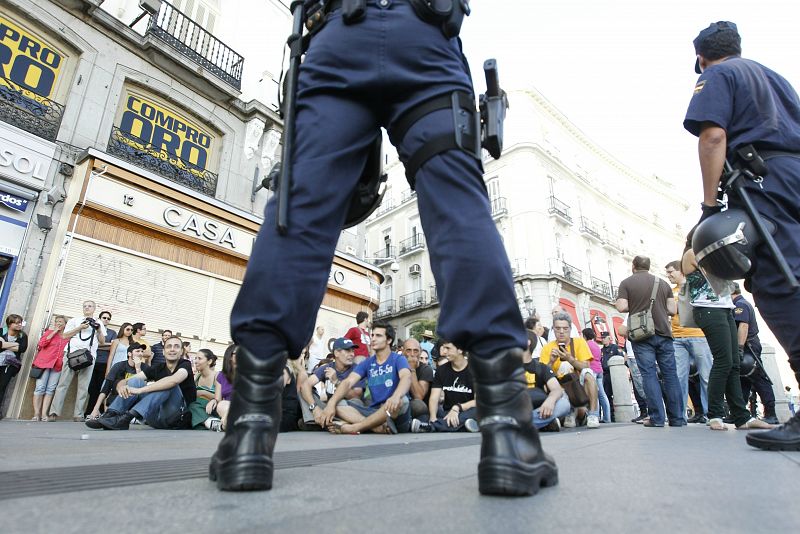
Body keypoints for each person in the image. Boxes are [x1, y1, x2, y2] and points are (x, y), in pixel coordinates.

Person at [215, 1, 557, 496]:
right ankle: (509, 433)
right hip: (425, 39)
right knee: (459, 209)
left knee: (300, 211)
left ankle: (247, 431)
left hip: (336, 41)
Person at [684, 21, 800, 450]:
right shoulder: (775, 78)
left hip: (761, 179)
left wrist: (710, 205)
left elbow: (713, 136)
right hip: (793, 176)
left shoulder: (716, 74)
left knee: (776, 280)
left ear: (701, 56)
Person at [682, 241, 772, 432]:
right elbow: (720, 266)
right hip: (708, 310)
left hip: (724, 309)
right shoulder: (691, 253)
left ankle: (741, 416)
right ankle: (714, 414)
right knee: (723, 361)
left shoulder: (710, 252)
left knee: (733, 364)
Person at [615, 256, 685, 428]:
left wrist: (637, 304)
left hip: (642, 334)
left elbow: (621, 307)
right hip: (664, 332)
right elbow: (672, 309)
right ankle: (677, 418)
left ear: (633, 266)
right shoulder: (663, 283)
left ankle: (656, 418)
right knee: (670, 375)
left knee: (648, 374)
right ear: (649, 266)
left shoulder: (626, 283)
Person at [319, 323, 411, 434]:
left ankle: (356, 427)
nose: (373, 339)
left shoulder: (398, 359)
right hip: (374, 412)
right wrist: (331, 404)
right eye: (372, 335)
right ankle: (374, 427)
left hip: (394, 414)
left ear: (389, 340)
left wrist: (395, 396)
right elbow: (348, 382)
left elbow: (406, 377)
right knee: (338, 403)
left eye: (378, 336)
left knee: (402, 400)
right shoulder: (367, 362)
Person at [88, 335, 194, 430]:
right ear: (163, 351)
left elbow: (173, 380)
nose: (172, 349)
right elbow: (127, 381)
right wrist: (121, 386)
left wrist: (140, 390)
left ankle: (126, 418)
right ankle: (110, 416)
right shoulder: (158, 367)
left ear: (181, 352)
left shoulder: (185, 365)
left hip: (176, 418)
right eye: (168, 346)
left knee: (167, 385)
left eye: (176, 346)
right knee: (135, 380)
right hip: (155, 419)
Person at [665, 260, 713, 423]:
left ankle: (711, 414)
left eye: (671, 272)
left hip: (698, 335)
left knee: (706, 375)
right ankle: (680, 415)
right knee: (679, 377)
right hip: (677, 338)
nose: (669, 276)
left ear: (680, 271)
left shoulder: (696, 287)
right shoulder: (670, 292)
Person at [539, 313, 600, 429]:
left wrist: (570, 359)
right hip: (559, 388)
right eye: (558, 328)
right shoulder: (547, 347)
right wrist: (551, 362)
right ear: (553, 330)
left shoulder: (579, 342)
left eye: (565, 328)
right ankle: (572, 412)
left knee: (588, 373)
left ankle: (592, 414)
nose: (561, 332)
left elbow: (586, 366)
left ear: (570, 329)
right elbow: (543, 375)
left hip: (577, 386)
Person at [49, 301, 107, 422]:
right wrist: (80, 327)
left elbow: (102, 341)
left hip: (89, 356)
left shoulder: (98, 322)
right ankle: (54, 412)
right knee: (63, 384)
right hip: (71, 354)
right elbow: (64, 336)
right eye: (85, 306)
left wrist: (98, 330)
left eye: (89, 306)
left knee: (83, 387)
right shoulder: (74, 320)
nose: (87, 308)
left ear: (94, 309)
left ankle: (78, 414)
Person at [732, 283, 778, 425]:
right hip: (746, 345)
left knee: (758, 378)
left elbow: (743, 326)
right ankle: (741, 413)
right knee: (743, 379)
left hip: (748, 345)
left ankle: (771, 413)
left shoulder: (740, 305)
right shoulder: (740, 303)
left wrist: (739, 347)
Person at [412, 340, 478, 433]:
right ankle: (464, 426)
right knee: (424, 416)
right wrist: (433, 418)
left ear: (460, 349)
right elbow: (434, 398)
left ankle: (432, 427)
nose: (444, 352)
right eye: (444, 348)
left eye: (448, 348)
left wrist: (457, 407)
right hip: (448, 412)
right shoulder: (441, 370)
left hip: (467, 411)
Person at [299, 337, 364, 429]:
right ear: (336, 353)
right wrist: (315, 409)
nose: (352, 354)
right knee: (303, 392)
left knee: (342, 402)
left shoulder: (357, 368)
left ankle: (321, 423)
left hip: (348, 407)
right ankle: (326, 421)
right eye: (347, 351)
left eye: (353, 351)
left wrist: (336, 381)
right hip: (328, 409)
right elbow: (305, 385)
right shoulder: (327, 367)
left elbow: (356, 396)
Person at [86, 342, 148, 421]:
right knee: (118, 382)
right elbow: (106, 388)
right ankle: (114, 414)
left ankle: (134, 415)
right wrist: (95, 410)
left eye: (142, 351)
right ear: (129, 354)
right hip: (118, 399)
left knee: (138, 382)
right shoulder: (119, 366)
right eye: (137, 351)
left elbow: (144, 388)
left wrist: (138, 368)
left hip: (136, 401)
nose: (140, 354)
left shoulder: (145, 367)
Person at [31, 315, 76, 421]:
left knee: (50, 389)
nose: (59, 323)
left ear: (66, 324)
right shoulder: (49, 332)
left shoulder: (68, 336)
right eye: (57, 321)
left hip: (57, 366)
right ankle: (36, 413)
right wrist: (54, 332)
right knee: (40, 388)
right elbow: (41, 344)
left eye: (61, 322)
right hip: (44, 364)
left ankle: (44, 414)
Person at [522, 346, 570, 431]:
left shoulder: (540, 367)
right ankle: (544, 423)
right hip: (514, 407)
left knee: (564, 403)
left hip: (538, 408)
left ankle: (520, 425)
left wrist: (550, 400)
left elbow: (557, 389)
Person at [87, 311, 116, 418]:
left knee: (100, 388)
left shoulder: (112, 333)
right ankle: (89, 412)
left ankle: (98, 412)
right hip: (91, 361)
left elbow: (113, 346)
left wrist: (99, 345)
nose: (106, 320)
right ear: (99, 318)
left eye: (108, 318)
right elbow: (90, 345)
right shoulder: (92, 329)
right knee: (91, 389)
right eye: (104, 318)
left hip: (104, 363)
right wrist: (104, 345)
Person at [617, 324, 649, 422]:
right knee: (637, 388)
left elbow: (621, 331)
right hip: (631, 359)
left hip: (636, 357)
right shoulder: (627, 341)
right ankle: (644, 412)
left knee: (642, 386)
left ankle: (651, 411)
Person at [0, 314, 27, 418]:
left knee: (2, 387)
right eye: (16, 323)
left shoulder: (22, 335)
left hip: (10, 365)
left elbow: (22, 348)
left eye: (20, 322)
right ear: (9, 324)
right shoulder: (1, 331)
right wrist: (14, 345)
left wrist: (4, 344)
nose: (19, 325)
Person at [189, 349, 223, 430]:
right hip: (198, 408)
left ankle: (209, 422)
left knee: (192, 406)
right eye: (195, 358)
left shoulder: (217, 375)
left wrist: (203, 393)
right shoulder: (197, 377)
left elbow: (221, 398)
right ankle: (209, 422)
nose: (196, 361)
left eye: (199, 358)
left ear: (209, 361)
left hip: (212, 408)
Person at [583, 328, 611, 424]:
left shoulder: (586, 345)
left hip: (592, 370)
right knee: (602, 395)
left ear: (585, 336)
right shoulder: (597, 345)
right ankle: (607, 417)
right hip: (600, 370)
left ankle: (596, 416)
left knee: (593, 394)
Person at [402, 337, 434, 418]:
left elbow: (419, 396)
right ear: (403, 352)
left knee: (418, 405)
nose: (412, 354)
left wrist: (412, 369)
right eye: (408, 350)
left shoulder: (426, 369)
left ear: (420, 353)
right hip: (400, 403)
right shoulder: (398, 366)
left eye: (415, 351)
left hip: (419, 410)